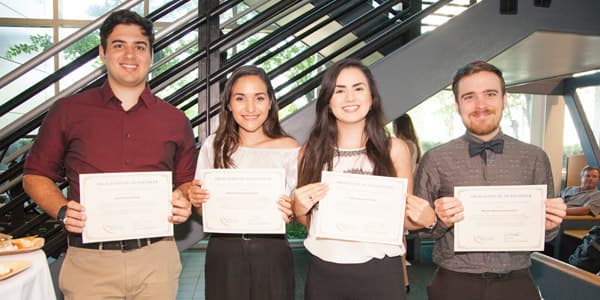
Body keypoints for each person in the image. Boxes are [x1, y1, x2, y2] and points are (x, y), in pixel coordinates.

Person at [22, 10, 196, 300]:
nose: (130, 54)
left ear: (151, 55)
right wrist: (63, 210)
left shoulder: (175, 119)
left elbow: (187, 182)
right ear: (103, 52)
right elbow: (35, 176)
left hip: (157, 261)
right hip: (90, 263)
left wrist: (184, 199)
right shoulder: (68, 112)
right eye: (119, 45)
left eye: (140, 47)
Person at [413, 60, 567, 300]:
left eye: (490, 94)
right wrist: (438, 221)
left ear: (504, 99)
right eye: (469, 97)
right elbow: (420, 233)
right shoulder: (435, 159)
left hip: (517, 283)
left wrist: (550, 225)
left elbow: (547, 235)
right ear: (457, 105)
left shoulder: (534, 157)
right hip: (454, 283)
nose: (481, 105)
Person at [292, 58, 436, 299]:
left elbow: (403, 219)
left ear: (372, 99)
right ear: (328, 100)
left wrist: (426, 219)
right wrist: (298, 209)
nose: (350, 98)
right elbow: (310, 221)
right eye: (339, 90)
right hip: (326, 270)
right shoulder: (309, 152)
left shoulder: (395, 149)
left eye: (358, 88)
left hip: (380, 271)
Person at [187, 65, 298, 300]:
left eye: (259, 98)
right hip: (224, 252)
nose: (250, 108)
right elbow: (200, 210)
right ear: (228, 104)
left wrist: (293, 208)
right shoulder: (213, 146)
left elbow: (300, 210)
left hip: (272, 252)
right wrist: (197, 200)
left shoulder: (289, 149)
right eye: (240, 98)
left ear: (270, 102)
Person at [393, 112, 422, 293]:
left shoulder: (402, 145)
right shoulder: (414, 145)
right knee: (399, 236)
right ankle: (403, 278)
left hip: (401, 191)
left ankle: (403, 278)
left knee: (398, 237)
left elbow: (405, 172)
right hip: (407, 188)